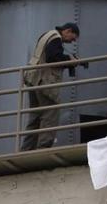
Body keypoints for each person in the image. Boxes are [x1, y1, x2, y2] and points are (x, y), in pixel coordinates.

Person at [21, 23, 84, 151]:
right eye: (72, 38)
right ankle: (43, 148)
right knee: (51, 112)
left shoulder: (47, 35)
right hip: (43, 81)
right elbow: (53, 58)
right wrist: (70, 60)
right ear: (67, 31)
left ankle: (26, 149)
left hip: (33, 79)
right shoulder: (56, 38)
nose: (72, 41)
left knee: (35, 116)